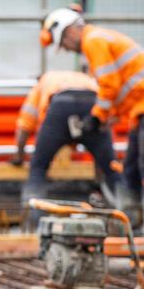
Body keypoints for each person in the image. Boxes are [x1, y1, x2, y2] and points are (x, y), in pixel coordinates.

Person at [40, 6, 144, 222]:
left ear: (69, 31)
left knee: (137, 169)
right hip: (139, 111)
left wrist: (97, 117)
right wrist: (107, 118)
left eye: (63, 44)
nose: (67, 49)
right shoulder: (99, 38)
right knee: (131, 171)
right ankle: (133, 227)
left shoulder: (93, 41)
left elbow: (109, 85)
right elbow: (123, 88)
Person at [11, 70, 120, 207]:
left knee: (38, 168)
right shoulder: (86, 79)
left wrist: (19, 155)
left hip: (60, 105)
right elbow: (107, 119)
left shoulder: (45, 81)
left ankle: (33, 213)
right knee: (111, 169)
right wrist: (103, 158)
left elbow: (26, 122)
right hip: (92, 103)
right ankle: (131, 213)